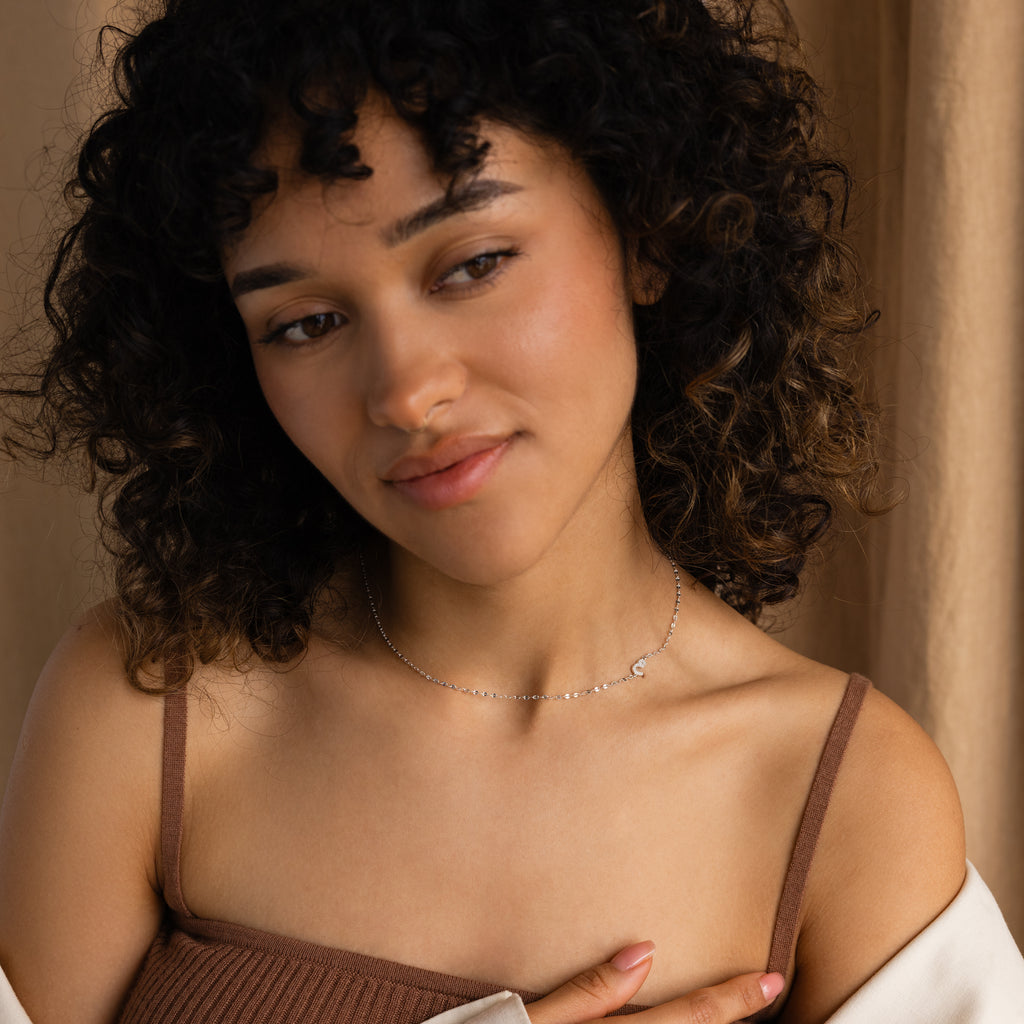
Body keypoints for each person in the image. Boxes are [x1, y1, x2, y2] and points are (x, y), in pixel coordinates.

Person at [0, 0, 1020, 1021]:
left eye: (472, 264)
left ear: (647, 231)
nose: (404, 391)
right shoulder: (154, 700)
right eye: (305, 322)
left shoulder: (837, 796)